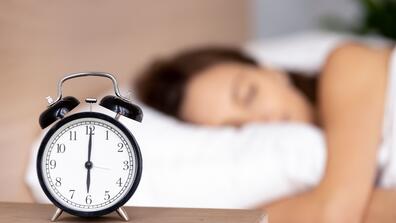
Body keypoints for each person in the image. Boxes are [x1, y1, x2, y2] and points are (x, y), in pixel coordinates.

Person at [135, 44, 396, 223]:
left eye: (249, 95)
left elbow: (333, 213)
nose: (261, 122)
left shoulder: (347, 65)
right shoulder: (312, 182)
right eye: (237, 128)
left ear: (271, 71)